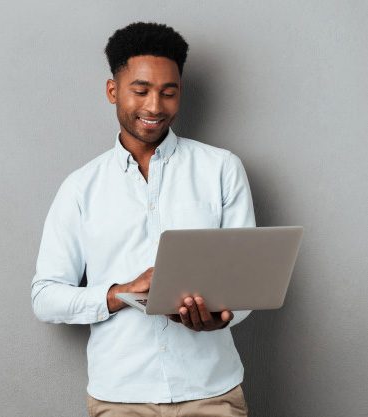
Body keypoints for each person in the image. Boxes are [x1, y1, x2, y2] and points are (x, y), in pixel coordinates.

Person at [31, 21, 255, 417]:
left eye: (168, 93)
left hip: (212, 391)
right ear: (113, 91)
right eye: (141, 90)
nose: (155, 106)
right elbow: (46, 297)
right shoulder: (80, 187)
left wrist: (220, 319)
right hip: (120, 397)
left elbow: (248, 283)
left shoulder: (222, 169)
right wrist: (121, 292)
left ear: (180, 93)